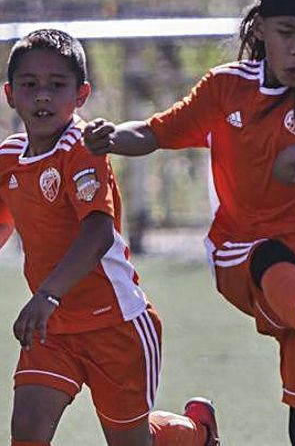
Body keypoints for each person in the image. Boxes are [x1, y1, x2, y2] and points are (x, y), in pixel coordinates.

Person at [83, 0, 295, 445]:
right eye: (287, 31)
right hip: (241, 256)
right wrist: (107, 137)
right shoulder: (226, 87)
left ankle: (196, 435)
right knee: (269, 255)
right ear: (261, 26)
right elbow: (154, 131)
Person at [2, 29, 219, 445]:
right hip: (53, 329)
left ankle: (197, 433)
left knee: (132, 441)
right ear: (11, 94)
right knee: (27, 429)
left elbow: (98, 233)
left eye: (56, 86)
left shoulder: (82, 150)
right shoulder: (8, 159)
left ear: (81, 94)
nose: (42, 97)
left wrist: (47, 294)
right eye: (30, 86)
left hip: (116, 324)